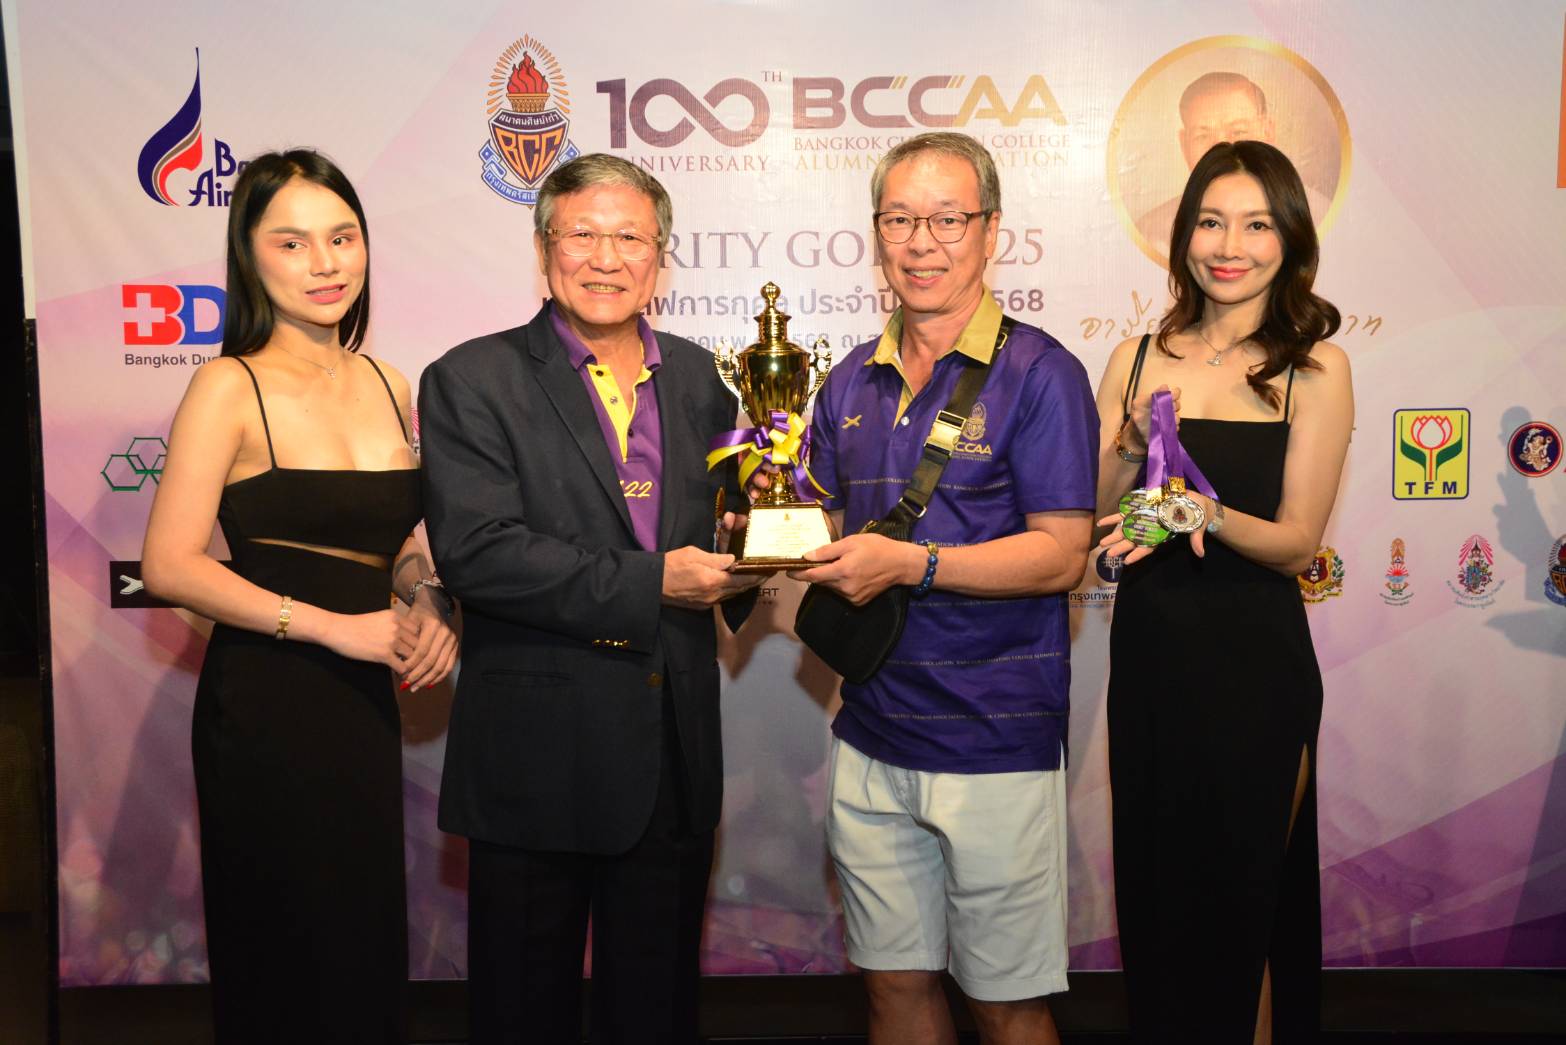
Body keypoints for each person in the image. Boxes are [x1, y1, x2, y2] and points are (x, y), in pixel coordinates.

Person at [418, 153, 759, 1045]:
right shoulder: (472, 378)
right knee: (522, 1014)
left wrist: (758, 540)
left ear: (660, 257)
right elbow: (479, 554)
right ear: (544, 250)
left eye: (630, 238)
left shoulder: (701, 378)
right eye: (583, 235)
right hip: (538, 760)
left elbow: (729, 522)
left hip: (671, 755)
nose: (607, 258)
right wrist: (656, 581)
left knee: (656, 1014)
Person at [141, 149, 457, 1043]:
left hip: (363, 707)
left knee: (361, 940)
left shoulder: (389, 382)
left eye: (342, 237)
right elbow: (168, 564)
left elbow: (394, 540)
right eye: (293, 242)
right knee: (283, 953)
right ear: (250, 256)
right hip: (266, 704)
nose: (325, 263)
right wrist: (333, 629)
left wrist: (426, 594)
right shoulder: (227, 385)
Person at [795, 131, 1098, 1045]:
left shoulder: (1041, 372)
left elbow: (1062, 554)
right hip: (871, 730)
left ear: (991, 230)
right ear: (876, 233)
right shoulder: (848, 379)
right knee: (893, 988)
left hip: (994, 740)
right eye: (899, 220)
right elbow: (815, 526)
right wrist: (761, 524)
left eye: (946, 219)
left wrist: (912, 564)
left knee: (1006, 1002)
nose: (921, 242)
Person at [1095, 139, 1353, 1044]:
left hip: (1255, 672)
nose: (1229, 245)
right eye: (1211, 221)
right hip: (1152, 662)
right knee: (1160, 900)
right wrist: (1132, 444)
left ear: (1291, 239)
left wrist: (1205, 511)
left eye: (1256, 224)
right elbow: (1090, 511)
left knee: (1244, 908)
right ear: (1184, 235)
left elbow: (1297, 542)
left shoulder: (1313, 367)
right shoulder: (1134, 359)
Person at [1135, 72, 1333, 259]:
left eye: (1238, 132)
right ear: (1184, 144)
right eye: (1203, 136)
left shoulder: (1319, 217)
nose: (1222, 149)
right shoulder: (1154, 234)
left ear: (1267, 133)